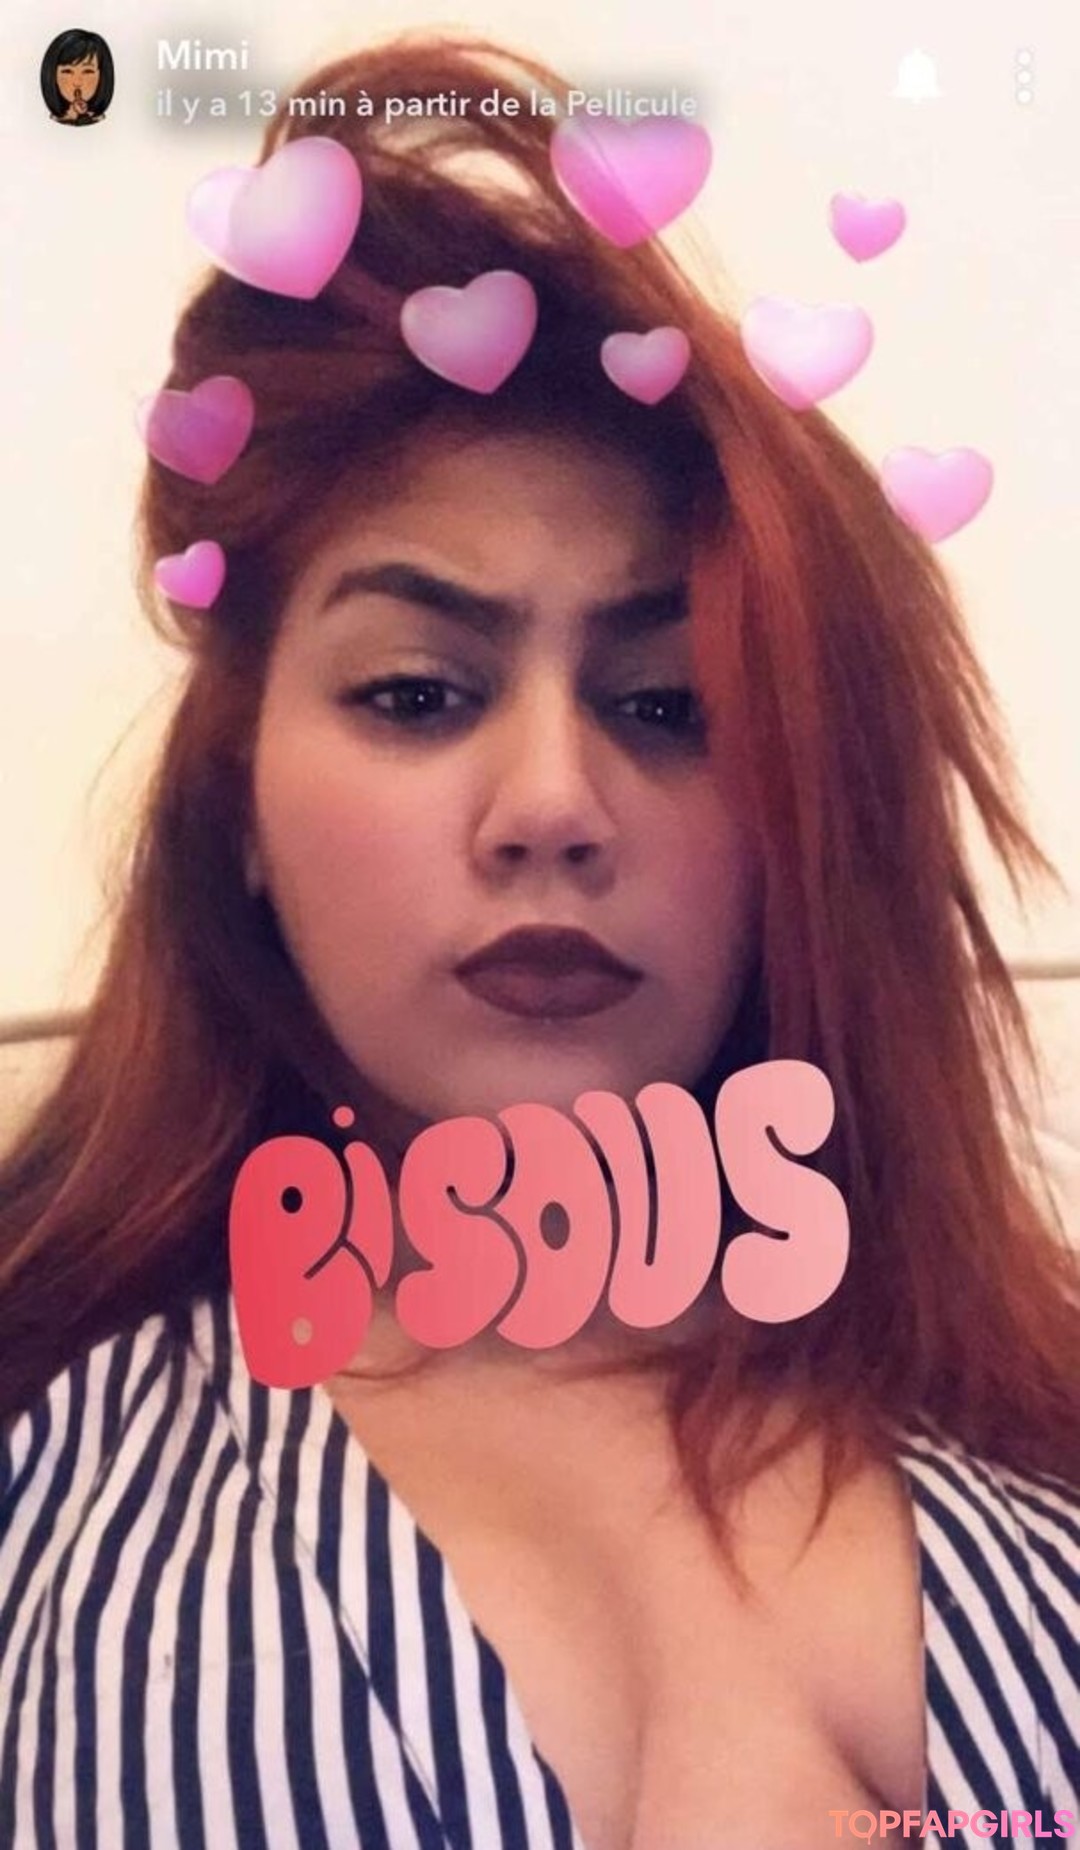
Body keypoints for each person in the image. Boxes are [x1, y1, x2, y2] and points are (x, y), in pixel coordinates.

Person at [1, 30, 1077, 1850]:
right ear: (238, 805)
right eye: (418, 691)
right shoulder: (49, 1458)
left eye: (671, 706)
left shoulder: (1031, 1440)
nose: (554, 803)